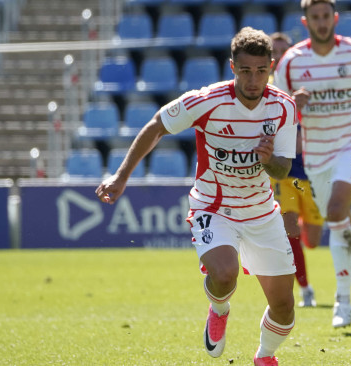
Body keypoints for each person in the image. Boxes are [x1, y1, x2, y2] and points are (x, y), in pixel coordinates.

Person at [96, 27, 298, 366]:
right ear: (232, 67)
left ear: (271, 67)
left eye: (261, 71)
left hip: (262, 212)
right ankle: (219, 309)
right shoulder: (206, 101)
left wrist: (268, 161)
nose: (254, 79)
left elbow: (283, 169)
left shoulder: (284, 108)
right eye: (246, 71)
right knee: (223, 273)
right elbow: (157, 125)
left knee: (284, 307)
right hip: (214, 207)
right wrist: (120, 176)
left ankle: (264, 356)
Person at [274, 0, 351, 331]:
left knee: (335, 210)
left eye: (326, 16)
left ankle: (343, 297)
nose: (321, 22)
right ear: (306, 21)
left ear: (335, 18)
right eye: (315, 17)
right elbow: (273, 110)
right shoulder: (291, 62)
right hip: (315, 156)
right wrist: (291, 104)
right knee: (340, 226)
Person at [269, 31, 325, 307]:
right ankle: (305, 289)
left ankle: (300, 227)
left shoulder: (308, 83)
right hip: (284, 173)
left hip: (311, 173)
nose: (278, 56)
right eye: (273, 51)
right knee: (290, 228)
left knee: (312, 239)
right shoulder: (265, 91)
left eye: (283, 51)